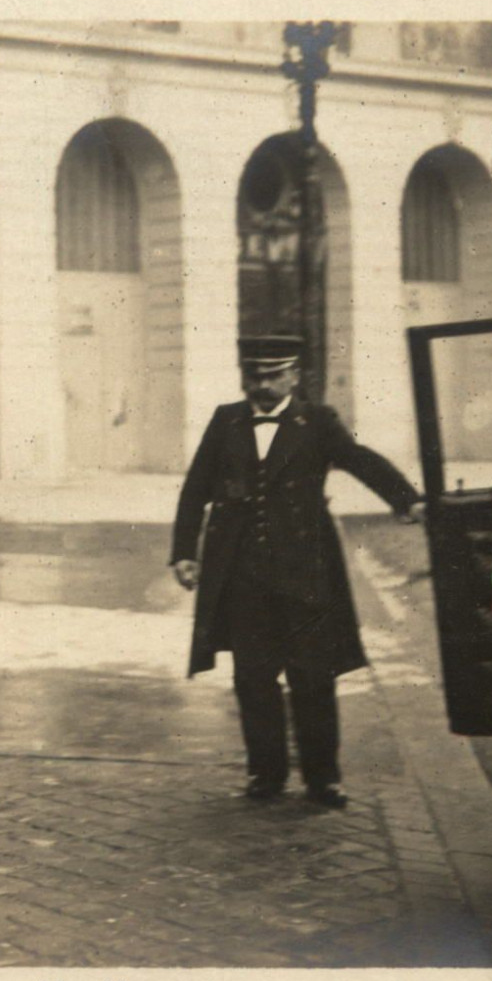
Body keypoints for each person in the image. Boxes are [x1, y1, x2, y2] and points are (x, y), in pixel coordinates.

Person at [169, 335, 423, 808]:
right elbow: (195, 487)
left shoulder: (318, 421)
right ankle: (265, 774)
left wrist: (406, 498)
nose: (261, 386)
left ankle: (323, 778)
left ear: (293, 377)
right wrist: (184, 551)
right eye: (254, 377)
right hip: (242, 576)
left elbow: (360, 461)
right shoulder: (227, 420)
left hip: (306, 572)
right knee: (252, 677)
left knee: (313, 674)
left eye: (271, 376)